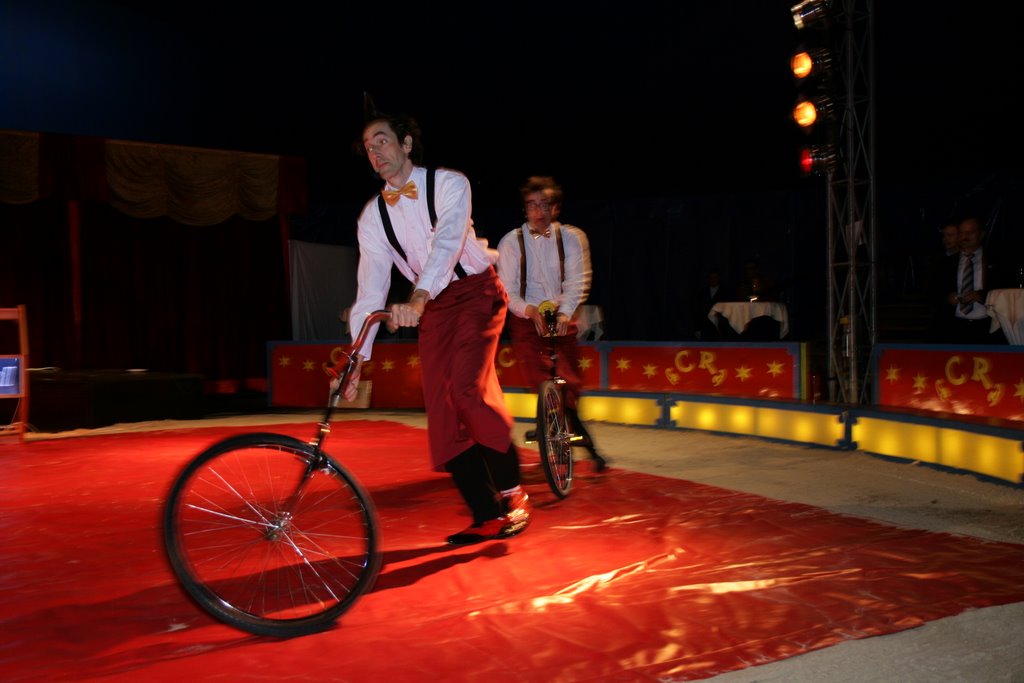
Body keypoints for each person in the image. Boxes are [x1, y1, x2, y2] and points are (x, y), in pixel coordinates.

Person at [336, 107, 530, 545]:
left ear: (406, 144)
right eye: (368, 147)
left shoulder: (449, 183)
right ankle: (486, 514)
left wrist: (419, 296)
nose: (375, 152)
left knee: (467, 389)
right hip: (434, 310)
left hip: (475, 292)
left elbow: (447, 242)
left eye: (382, 140)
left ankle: (513, 494)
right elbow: (370, 288)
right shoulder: (373, 216)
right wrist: (357, 357)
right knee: (442, 411)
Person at [496, 176, 607, 472]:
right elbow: (507, 290)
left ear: (555, 208)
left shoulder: (572, 238)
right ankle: (550, 422)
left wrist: (564, 313)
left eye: (545, 205)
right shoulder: (511, 242)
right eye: (532, 205)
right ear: (525, 209)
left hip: (561, 314)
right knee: (538, 374)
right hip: (526, 317)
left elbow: (577, 281)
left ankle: (563, 427)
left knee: (569, 380)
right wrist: (528, 310)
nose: (539, 212)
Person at [935, 215, 1007, 344]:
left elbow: (1006, 290)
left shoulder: (996, 260)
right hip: (953, 327)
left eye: (970, 232)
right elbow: (932, 291)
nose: (964, 237)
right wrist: (947, 298)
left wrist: (982, 296)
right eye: (961, 233)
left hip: (987, 326)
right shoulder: (945, 262)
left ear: (981, 234)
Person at [694, 268, 727, 341]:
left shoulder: (725, 292)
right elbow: (698, 311)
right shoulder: (703, 292)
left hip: (720, 327)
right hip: (705, 326)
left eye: (715, 277)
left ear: (719, 278)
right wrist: (697, 328)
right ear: (708, 279)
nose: (713, 279)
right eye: (711, 277)